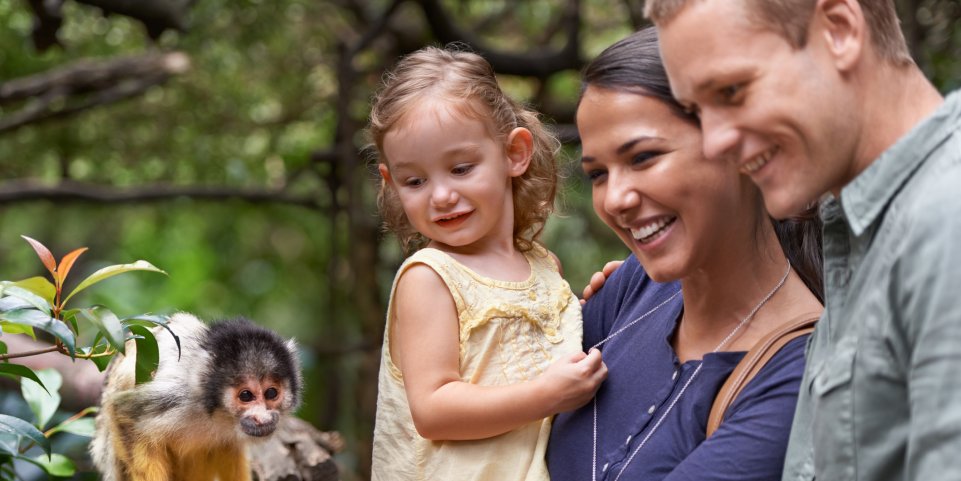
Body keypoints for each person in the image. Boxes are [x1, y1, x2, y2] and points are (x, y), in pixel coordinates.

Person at [647, 0, 961, 479]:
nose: (714, 142)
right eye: (696, 110)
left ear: (840, 30)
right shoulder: (862, 231)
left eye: (731, 91)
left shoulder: (943, 223)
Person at [547, 27, 824, 481]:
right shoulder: (634, 287)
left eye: (642, 158)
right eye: (598, 174)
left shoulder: (798, 381)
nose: (615, 199)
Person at [367, 46, 607, 481]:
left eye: (461, 169)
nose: (441, 195)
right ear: (392, 184)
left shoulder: (544, 267)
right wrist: (546, 394)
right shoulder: (430, 278)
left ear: (514, 153)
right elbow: (434, 410)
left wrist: (599, 305)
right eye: (415, 181)